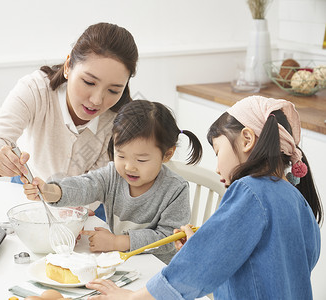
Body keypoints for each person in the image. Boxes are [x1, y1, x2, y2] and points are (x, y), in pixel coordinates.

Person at [85, 95, 323, 299]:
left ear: (247, 139)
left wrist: (134, 296)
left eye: (218, 152)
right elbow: (272, 266)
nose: (218, 168)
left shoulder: (250, 191)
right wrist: (201, 246)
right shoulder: (298, 200)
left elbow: (200, 267)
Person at [23, 100, 203, 264]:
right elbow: (85, 186)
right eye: (121, 155)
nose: (129, 167)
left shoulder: (175, 189)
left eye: (141, 160)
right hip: (119, 261)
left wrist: (118, 241)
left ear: (167, 154)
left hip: (158, 269)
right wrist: (51, 191)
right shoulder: (112, 176)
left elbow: (168, 240)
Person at [0, 22, 138, 192]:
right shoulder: (35, 90)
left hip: (86, 199)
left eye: (113, 90)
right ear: (68, 66)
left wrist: (70, 202)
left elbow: (101, 184)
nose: (97, 100)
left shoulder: (117, 119)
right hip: (28, 189)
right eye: (89, 82)